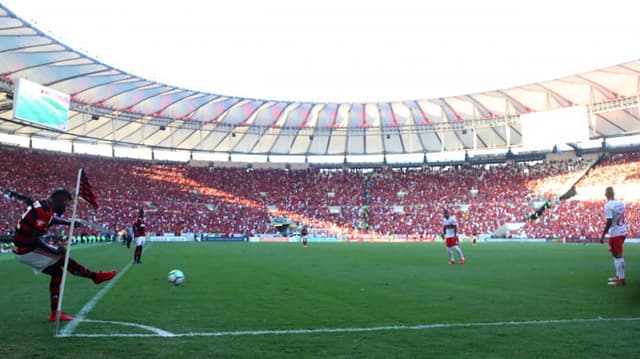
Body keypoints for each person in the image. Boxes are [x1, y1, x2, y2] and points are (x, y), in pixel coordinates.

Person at [12, 188, 117, 322]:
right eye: (66, 204)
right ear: (59, 200)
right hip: (26, 249)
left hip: (23, 248)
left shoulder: (44, 205)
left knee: (57, 272)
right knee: (62, 258)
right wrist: (54, 251)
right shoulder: (44, 211)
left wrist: (68, 222)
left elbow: (50, 219)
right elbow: (35, 239)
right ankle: (94, 277)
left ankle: (55, 313)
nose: (67, 207)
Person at [599, 187, 627, 286]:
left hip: (615, 233)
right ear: (614, 194)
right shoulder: (621, 203)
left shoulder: (608, 206)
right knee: (616, 255)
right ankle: (618, 276)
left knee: (618, 255)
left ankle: (621, 279)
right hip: (623, 230)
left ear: (606, 195)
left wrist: (603, 235)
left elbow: (609, 221)